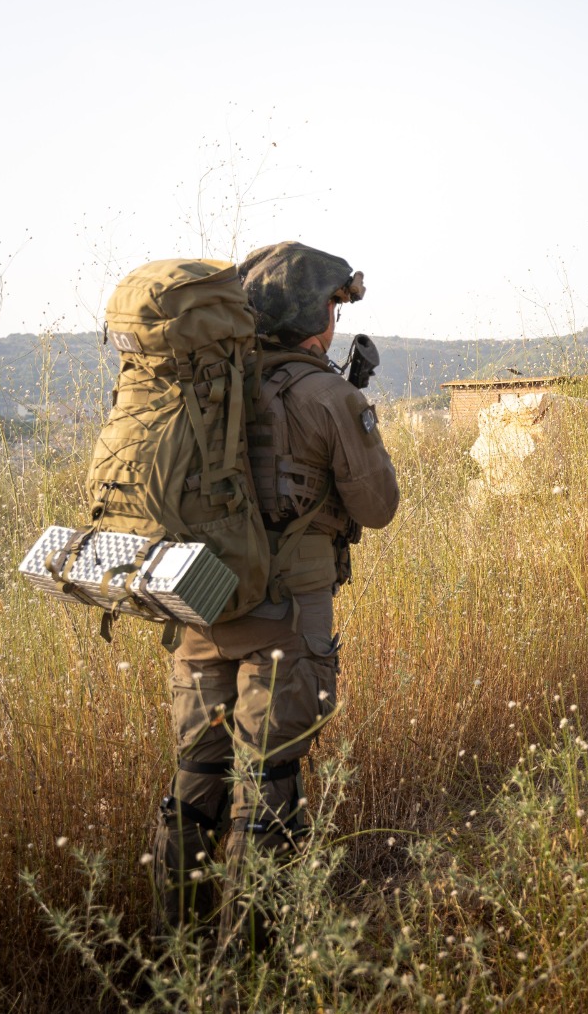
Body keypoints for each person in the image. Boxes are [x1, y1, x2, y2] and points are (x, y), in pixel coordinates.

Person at [153, 241, 400, 944]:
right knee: (269, 788)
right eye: (332, 304)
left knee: (195, 782)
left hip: (199, 609)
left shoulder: (198, 389)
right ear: (313, 314)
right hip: (286, 622)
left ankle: (180, 950)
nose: (335, 316)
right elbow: (378, 506)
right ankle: (253, 964)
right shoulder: (328, 395)